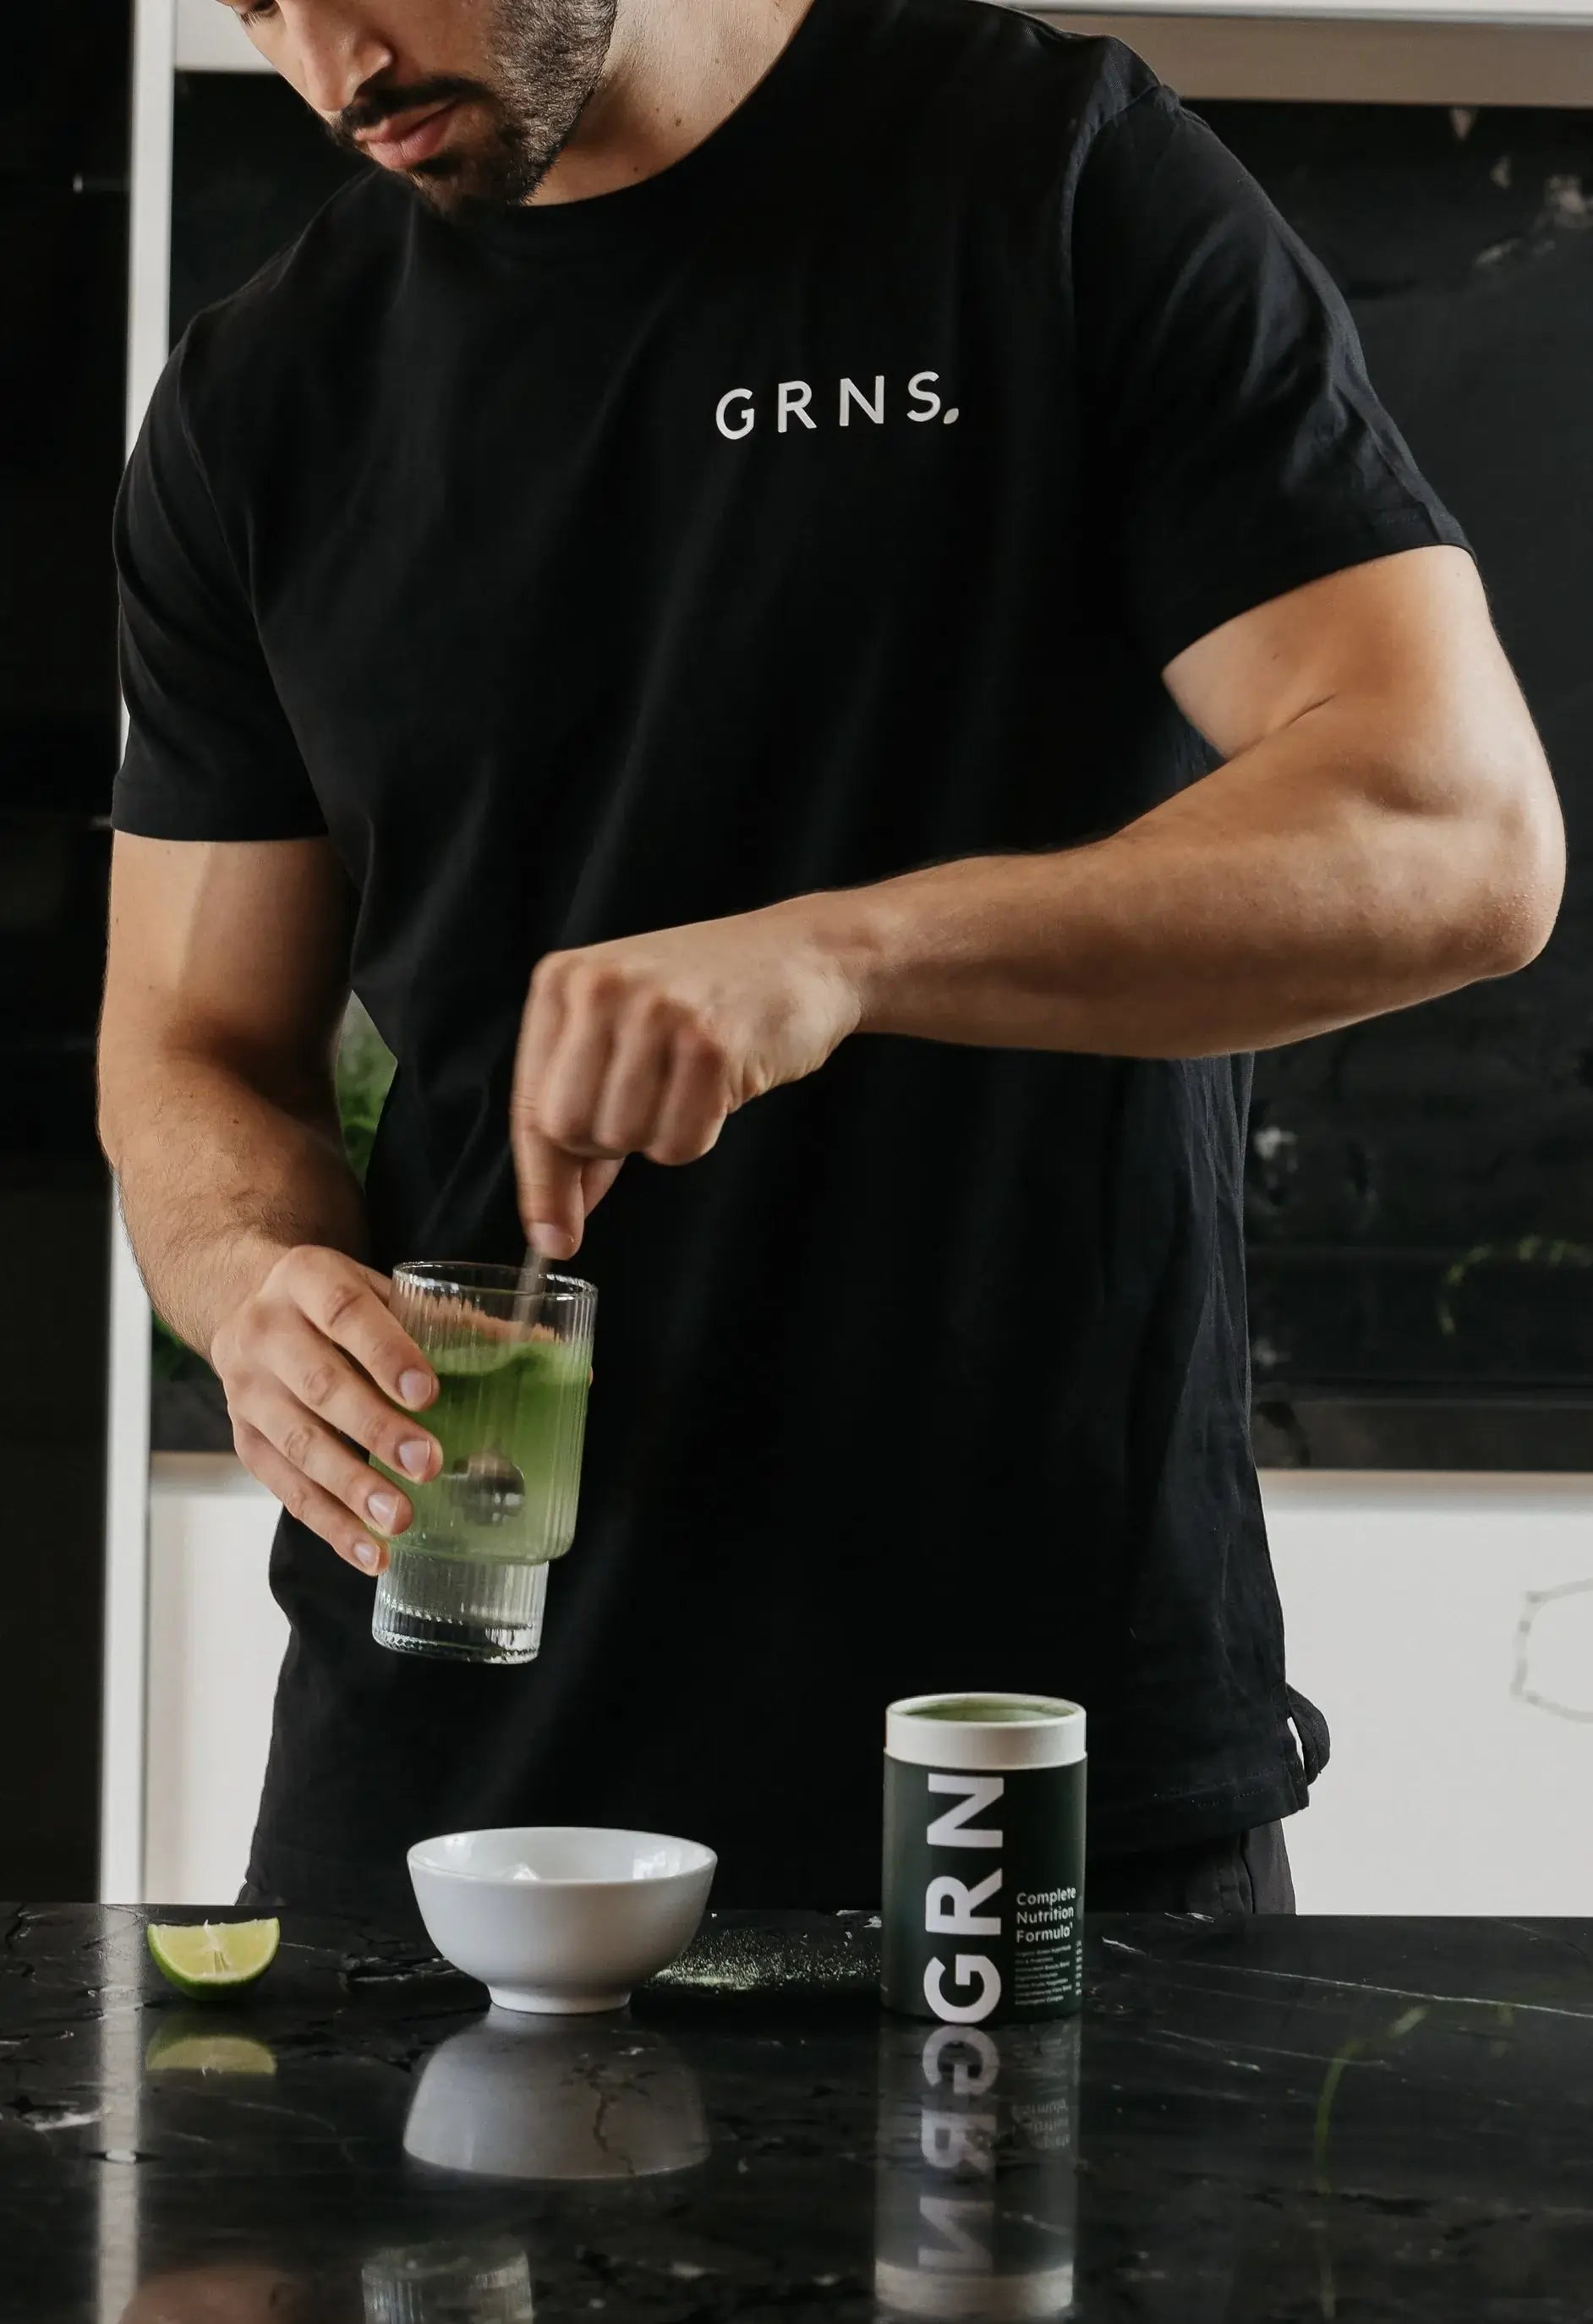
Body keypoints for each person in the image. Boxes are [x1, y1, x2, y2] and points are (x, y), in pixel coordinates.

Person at [100, 0, 1563, 1932]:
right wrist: (251, 1278)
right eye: (255, 1)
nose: (330, 62)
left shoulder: (1052, 183)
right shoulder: (260, 398)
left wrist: (850, 954)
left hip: (1016, 1750)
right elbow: (194, 1043)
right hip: (448, 1772)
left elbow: (1455, 837)